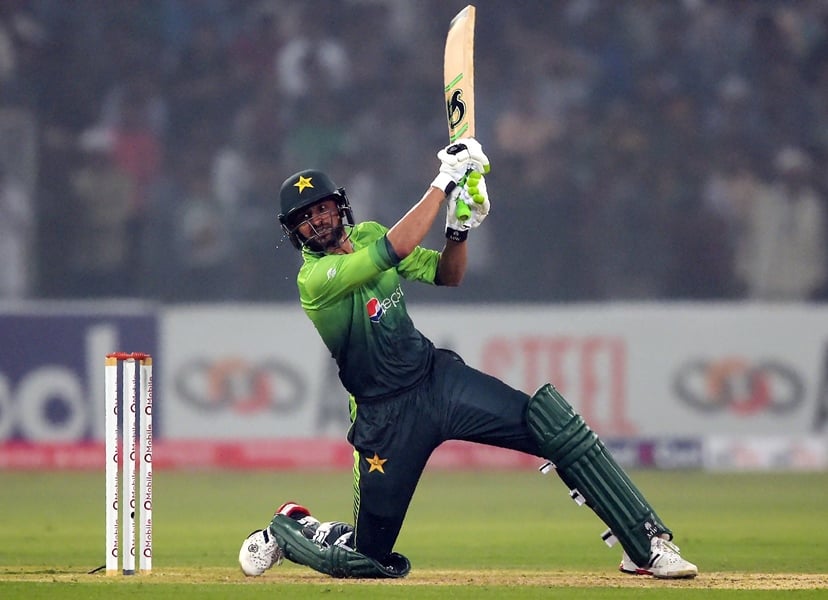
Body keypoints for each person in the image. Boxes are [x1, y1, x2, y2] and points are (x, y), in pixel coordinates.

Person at [238, 139, 698, 580]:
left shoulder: (369, 233)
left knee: (552, 427)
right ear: (294, 232)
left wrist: (458, 230)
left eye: (322, 208)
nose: (317, 221)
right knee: (367, 560)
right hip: (385, 418)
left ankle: (646, 544)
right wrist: (444, 181)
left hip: (438, 382)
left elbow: (447, 274)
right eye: (305, 218)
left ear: (339, 206)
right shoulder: (315, 279)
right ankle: (291, 526)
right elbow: (393, 250)